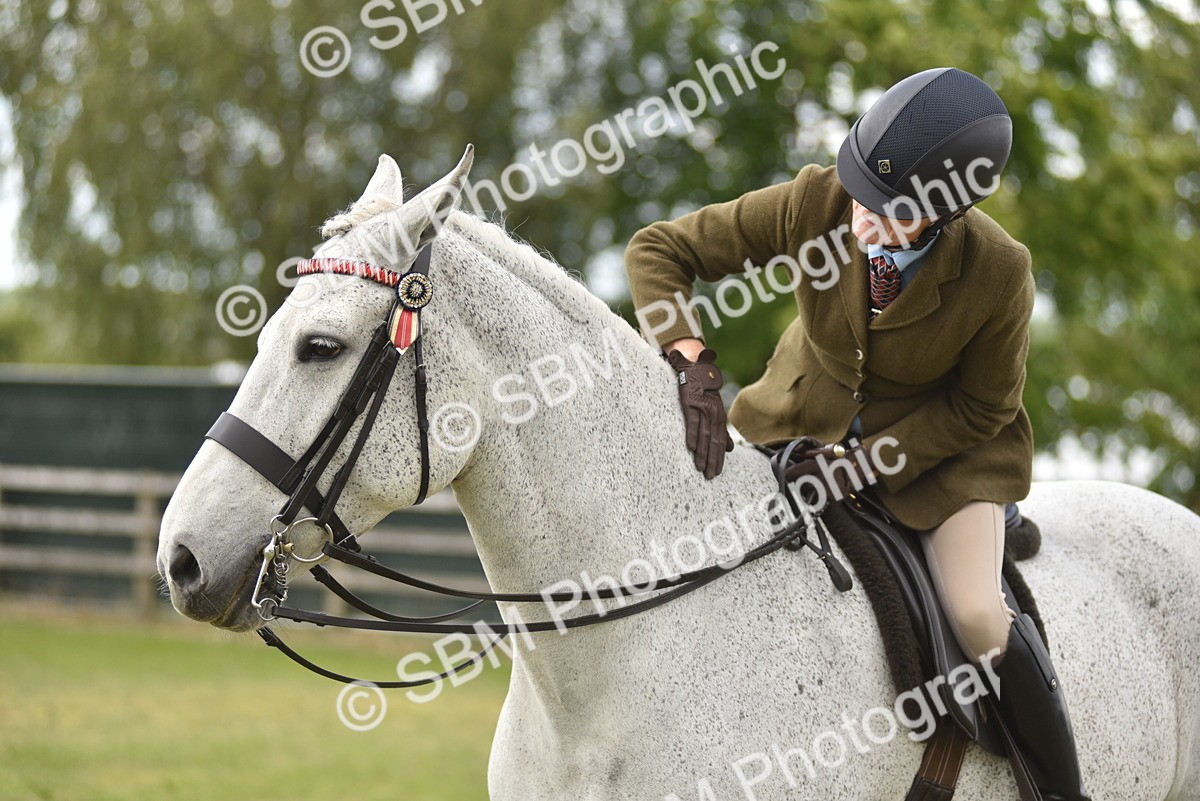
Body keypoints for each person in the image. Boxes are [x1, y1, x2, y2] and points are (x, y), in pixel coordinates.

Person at [624, 67, 1090, 800]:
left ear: (944, 212)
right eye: (863, 197)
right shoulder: (820, 200)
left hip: (946, 462)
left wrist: (863, 465)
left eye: (890, 212)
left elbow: (983, 409)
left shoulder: (1000, 271)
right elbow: (658, 250)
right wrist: (690, 360)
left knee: (974, 612)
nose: (861, 223)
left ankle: (1064, 788)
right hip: (790, 422)